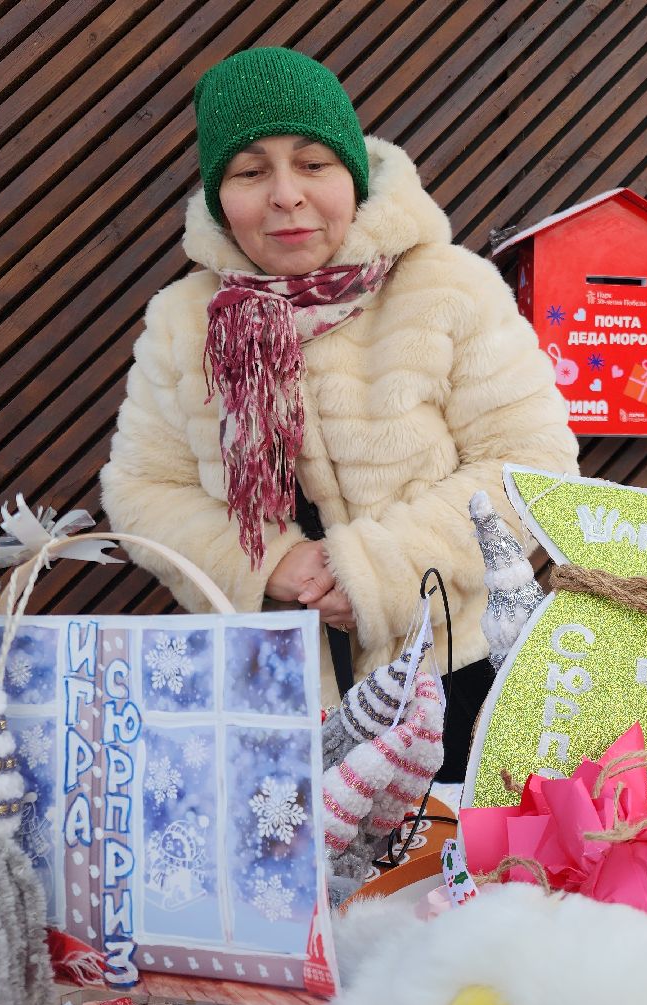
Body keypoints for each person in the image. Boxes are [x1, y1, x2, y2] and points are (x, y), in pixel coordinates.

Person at [100, 47, 579, 779]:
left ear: (352, 173)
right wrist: (271, 563)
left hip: (453, 673)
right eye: (251, 171)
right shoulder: (183, 322)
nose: (286, 195)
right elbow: (142, 488)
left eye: (314, 163)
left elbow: (534, 466)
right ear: (219, 194)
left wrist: (371, 573)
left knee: (441, 884)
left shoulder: (450, 289)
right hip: (268, 687)